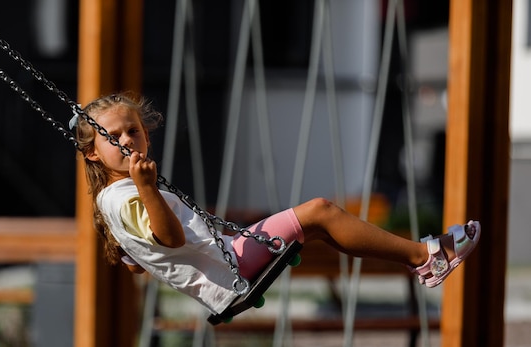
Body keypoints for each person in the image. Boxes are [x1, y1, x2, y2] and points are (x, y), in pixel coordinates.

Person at [72, 92, 481, 315]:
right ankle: (428, 255)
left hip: (225, 267)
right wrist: (146, 188)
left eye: (134, 130)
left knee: (319, 226)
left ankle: (423, 262)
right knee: (320, 209)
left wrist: (138, 251)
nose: (127, 140)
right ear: (92, 154)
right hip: (229, 272)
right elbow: (171, 239)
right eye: (113, 137)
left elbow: (135, 254)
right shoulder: (128, 194)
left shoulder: (113, 200)